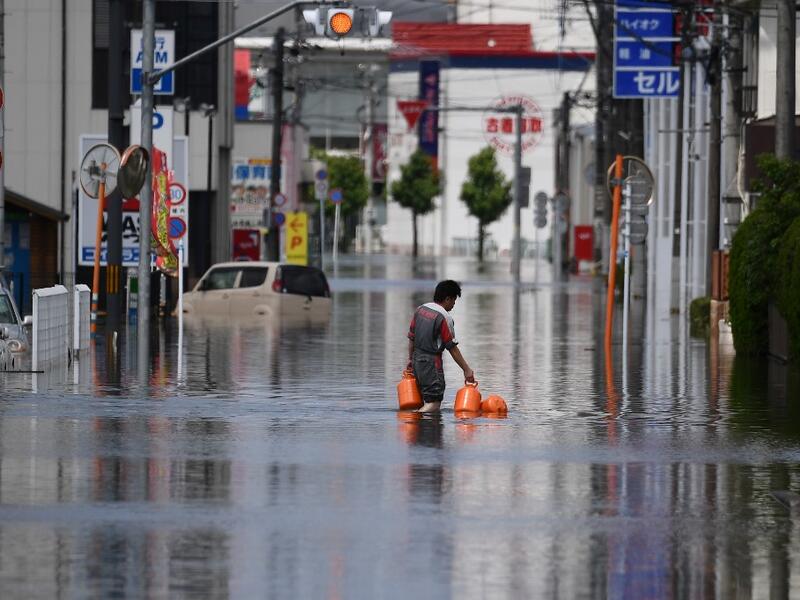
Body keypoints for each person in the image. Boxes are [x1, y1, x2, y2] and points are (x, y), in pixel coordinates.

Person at [407, 280, 475, 413]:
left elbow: (411, 338)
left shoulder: (420, 309)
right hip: (432, 364)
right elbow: (452, 347)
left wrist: (410, 360)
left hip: (416, 361)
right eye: (454, 301)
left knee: (419, 400)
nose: (454, 305)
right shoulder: (444, 317)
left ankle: (417, 428)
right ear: (447, 298)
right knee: (434, 403)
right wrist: (466, 369)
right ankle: (414, 420)